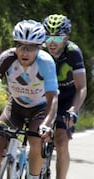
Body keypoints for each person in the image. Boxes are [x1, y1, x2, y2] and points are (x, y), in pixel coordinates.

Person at [0, 20, 58, 179]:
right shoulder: (6, 58)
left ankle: (33, 177)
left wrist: (47, 124)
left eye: (31, 47)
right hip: (15, 107)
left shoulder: (46, 62)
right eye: (20, 45)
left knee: (36, 141)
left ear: (39, 47)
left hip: (39, 109)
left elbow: (53, 98)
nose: (25, 52)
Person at [43, 14, 87, 179]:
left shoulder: (73, 52)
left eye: (58, 37)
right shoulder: (39, 51)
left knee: (61, 141)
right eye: (48, 36)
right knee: (36, 136)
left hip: (67, 99)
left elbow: (81, 87)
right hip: (46, 96)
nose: (52, 42)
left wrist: (74, 109)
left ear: (66, 37)